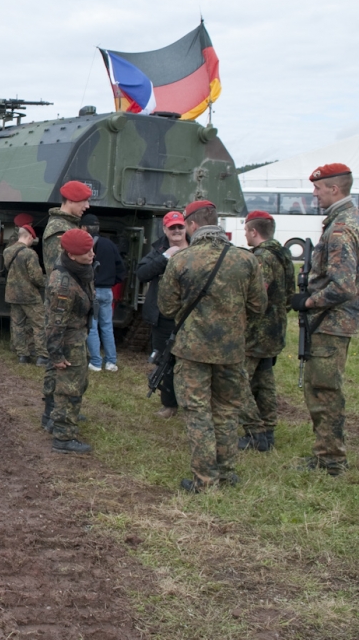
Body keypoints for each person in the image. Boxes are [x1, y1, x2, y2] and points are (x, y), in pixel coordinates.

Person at [158, 200, 265, 493]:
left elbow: (166, 307)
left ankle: (205, 480)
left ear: (192, 225)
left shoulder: (182, 260)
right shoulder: (245, 260)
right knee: (227, 410)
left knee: (197, 411)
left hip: (192, 351)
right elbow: (258, 305)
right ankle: (226, 472)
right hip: (231, 350)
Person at [291, 163, 359, 475]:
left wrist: (308, 300)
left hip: (330, 321)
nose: (314, 194)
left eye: (318, 188)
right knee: (324, 387)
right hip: (336, 320)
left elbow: (343, 286)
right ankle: (328, 455)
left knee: (323, 390)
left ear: (334, 189)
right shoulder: (356, 219)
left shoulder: (341, 229)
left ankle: (330, 460)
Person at [236, 210, 295, 453]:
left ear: (253, 231)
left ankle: (255, 432)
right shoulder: (283, 255)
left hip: (256, 332)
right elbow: (290, 295)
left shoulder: (262, 258)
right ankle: (268, 431)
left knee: (237, 382)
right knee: (264, 381)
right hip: (275, 329)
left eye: (246, 231)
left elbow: (256, 296)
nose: (245, 235)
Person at [43, 229, 98, 454]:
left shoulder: (80, 271)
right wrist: (56, 355)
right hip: (68, 341)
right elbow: (55, 324)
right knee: (70, 388)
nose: (92, 254)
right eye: (86, 252)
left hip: (77, 336)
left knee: (75, 383)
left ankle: (55, 419)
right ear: (72, 255)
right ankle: (63, 437)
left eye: (92, 249)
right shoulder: (63, 284)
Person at [135, 211, 188, 418]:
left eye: (180, 227)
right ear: (165, 229)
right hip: (164, 317)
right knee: (164, 361)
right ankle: (169, 405)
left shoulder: (196, 249)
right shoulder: (159, 250)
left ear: (186, 228)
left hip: (191, 317)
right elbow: (142, 273)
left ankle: (192, 405)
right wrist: (166, 257)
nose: (177, 231)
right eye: (172, 228)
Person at [81, 214, 125, 373]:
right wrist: (110, 282)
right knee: (107, 326)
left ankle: (95, 362)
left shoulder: (85, 245)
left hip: (92, 290)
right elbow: (121, 269)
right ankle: (111, 362)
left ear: (84, 228)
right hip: (107, 291)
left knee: (92, 327)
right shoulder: (110, 244)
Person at [3, 214, 45, 365]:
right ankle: (42, 356)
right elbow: (36, 277)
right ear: (29, 237)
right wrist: (45, 283)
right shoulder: (30, 253)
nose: (33, 241)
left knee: (18, 325)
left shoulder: (7, 251)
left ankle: (23, 355)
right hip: (29, 295)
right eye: (32, 238)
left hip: (13, 294)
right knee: (40, 324)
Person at [42, 181, 92, 273]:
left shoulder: (68, 224)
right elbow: (57, 270)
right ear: (70, 200)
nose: (87, 206)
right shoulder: (58, 228)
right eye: (84, 200)